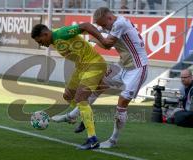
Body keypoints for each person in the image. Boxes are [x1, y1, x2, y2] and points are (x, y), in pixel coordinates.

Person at [52, 7, 148, 148]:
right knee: (97, 87)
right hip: (122, 66)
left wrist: (94, 39)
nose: (102, 27)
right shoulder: (114, 24)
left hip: (137, 68)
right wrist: (97, 33)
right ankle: (72, 116)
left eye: (103, 24)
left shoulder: (119, 24)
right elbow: (99, 34)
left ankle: (112, 140)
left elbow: (108, 44)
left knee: (121, 104)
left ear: (109, 18)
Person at [31, 24, 107, 150]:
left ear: (45, 34)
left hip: (94, 64)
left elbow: (86, 26)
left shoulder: (61, 33)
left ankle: (92, 140)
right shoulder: (54, 40)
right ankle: (82, 117)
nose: (41, 44)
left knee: (81, 98)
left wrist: (102, 40)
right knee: (68, 95)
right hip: (81, 67)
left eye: (40, 41)